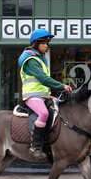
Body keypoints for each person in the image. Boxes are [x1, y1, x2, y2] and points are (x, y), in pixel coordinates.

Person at [18, 29, 72, 160]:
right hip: (32, 95)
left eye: (47, 43)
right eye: (43, 43)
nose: (46, 46)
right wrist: (61, 86)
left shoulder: (39, 58)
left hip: (43, 95)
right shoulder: (30, 59)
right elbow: (43, 79)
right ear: (35, 43)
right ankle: (35, 146)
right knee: (44, 114)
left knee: (61, 106)